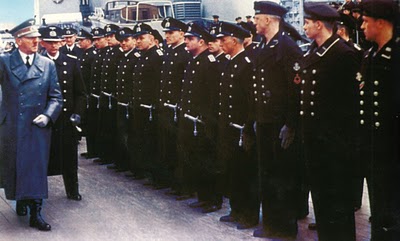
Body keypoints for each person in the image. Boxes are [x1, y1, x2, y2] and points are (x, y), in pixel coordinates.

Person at [297, 3, 360, 241]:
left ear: (319, 24)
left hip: (336, 147)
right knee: (322, 201)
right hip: (316, 144)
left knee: (338, 205)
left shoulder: (343, 54)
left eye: (307, 22)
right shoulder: (315, 52)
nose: (303, 27)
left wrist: (343, 146)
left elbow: (351, 107)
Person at [0, 19, 63, 231]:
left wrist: (48, 115)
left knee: (36, 169)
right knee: (16, 166)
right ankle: (21, 199)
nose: (37, 41)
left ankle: (37, 212)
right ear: (18, 41)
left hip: (37, 127)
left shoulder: (47, 65)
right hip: (13, 126)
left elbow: (56, 97)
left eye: (37, 37)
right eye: (31, 37)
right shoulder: (4, 62)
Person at [251, 1, 303, 239]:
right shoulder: (264, 45)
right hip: (265, 120)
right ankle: (271, 223)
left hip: (280, 122)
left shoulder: (287, 46)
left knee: (283, 176)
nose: (254, 22)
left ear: (269, 19)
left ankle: (285, 227)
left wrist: (291, 124)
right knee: (267, 174)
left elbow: (295, 90)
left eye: (257, 17)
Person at [358, 1, 400, 240]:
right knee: (379, 208)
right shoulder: (370, 55)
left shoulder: (395, 55)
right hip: (375, 148)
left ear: (381, 23)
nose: (362, 26)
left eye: (366, 21)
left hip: (393, 149)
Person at [215, 21, 259, 230]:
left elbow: (251, 100)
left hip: (242, 128)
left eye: (223, 40)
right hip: (228, 126)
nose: (221, 43)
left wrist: (248, 128)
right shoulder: (229, 61)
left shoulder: (247, 63)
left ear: (234, 40)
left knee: (246, 172)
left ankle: (249, 214)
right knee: (232, 169)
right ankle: (236, 209)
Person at [177, 21, 220, 213]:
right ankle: (203, 197)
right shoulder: (194, 61)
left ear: (201, 41)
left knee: (207, 160)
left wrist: (207, 120)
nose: (186, 41)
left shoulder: (209, 63)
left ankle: (213, 199)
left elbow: (213, 95)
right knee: (196, 159)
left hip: (203, 122)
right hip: (191, 120)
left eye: (190, 38)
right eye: (185, 38)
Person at [39, 26, 86, 201]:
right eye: (50, 42)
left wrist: (78, 115)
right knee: (41, 159)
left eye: (57, 41)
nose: (54, 46)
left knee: (69, 158)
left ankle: (72, 190)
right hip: (45, 120)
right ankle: (38, 193)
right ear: (42, 43)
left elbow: (81, 93)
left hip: (66, 120)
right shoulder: (38, 62)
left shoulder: (71, 62)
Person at [158, 17, 191, 195]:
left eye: (171, 33)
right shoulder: (170, 52)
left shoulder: (185, 54)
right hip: (167, 107)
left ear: (181, 33)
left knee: (180, 148)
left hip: (178, 108)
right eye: (166, 33)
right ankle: (173, 182)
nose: (167, 36)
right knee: (169, 146)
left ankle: (183, 186)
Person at [130, 23, 163, 185]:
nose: (138, 42)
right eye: (136, 39)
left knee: (152, 141)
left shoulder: (156, 56)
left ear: (151, 39)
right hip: (141, 106)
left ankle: (157, 175)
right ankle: (149, 172)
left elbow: (158, 84)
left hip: (151, 107)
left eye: (141, 38)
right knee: (143, 139)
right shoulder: (143, 55)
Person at [114, 27, 138, 173]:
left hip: (130, 102)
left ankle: (133, 165)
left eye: (126, 40)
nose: (123, 43)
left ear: (134, 40)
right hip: (122, 101)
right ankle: (124, 163)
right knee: (122, 133)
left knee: (131, 135)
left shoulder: (136, 57)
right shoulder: (124, 56)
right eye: (121, 41)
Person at [76, 29, 97, 158]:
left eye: (81, 40)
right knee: (87, 122)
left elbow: (92, 76)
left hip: (89, 93)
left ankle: (93, 150)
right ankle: (91, 149)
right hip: (84, 93)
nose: (79, 42)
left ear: (89, 41)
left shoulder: (92, 55)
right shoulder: (83, 54)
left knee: (91, 122)